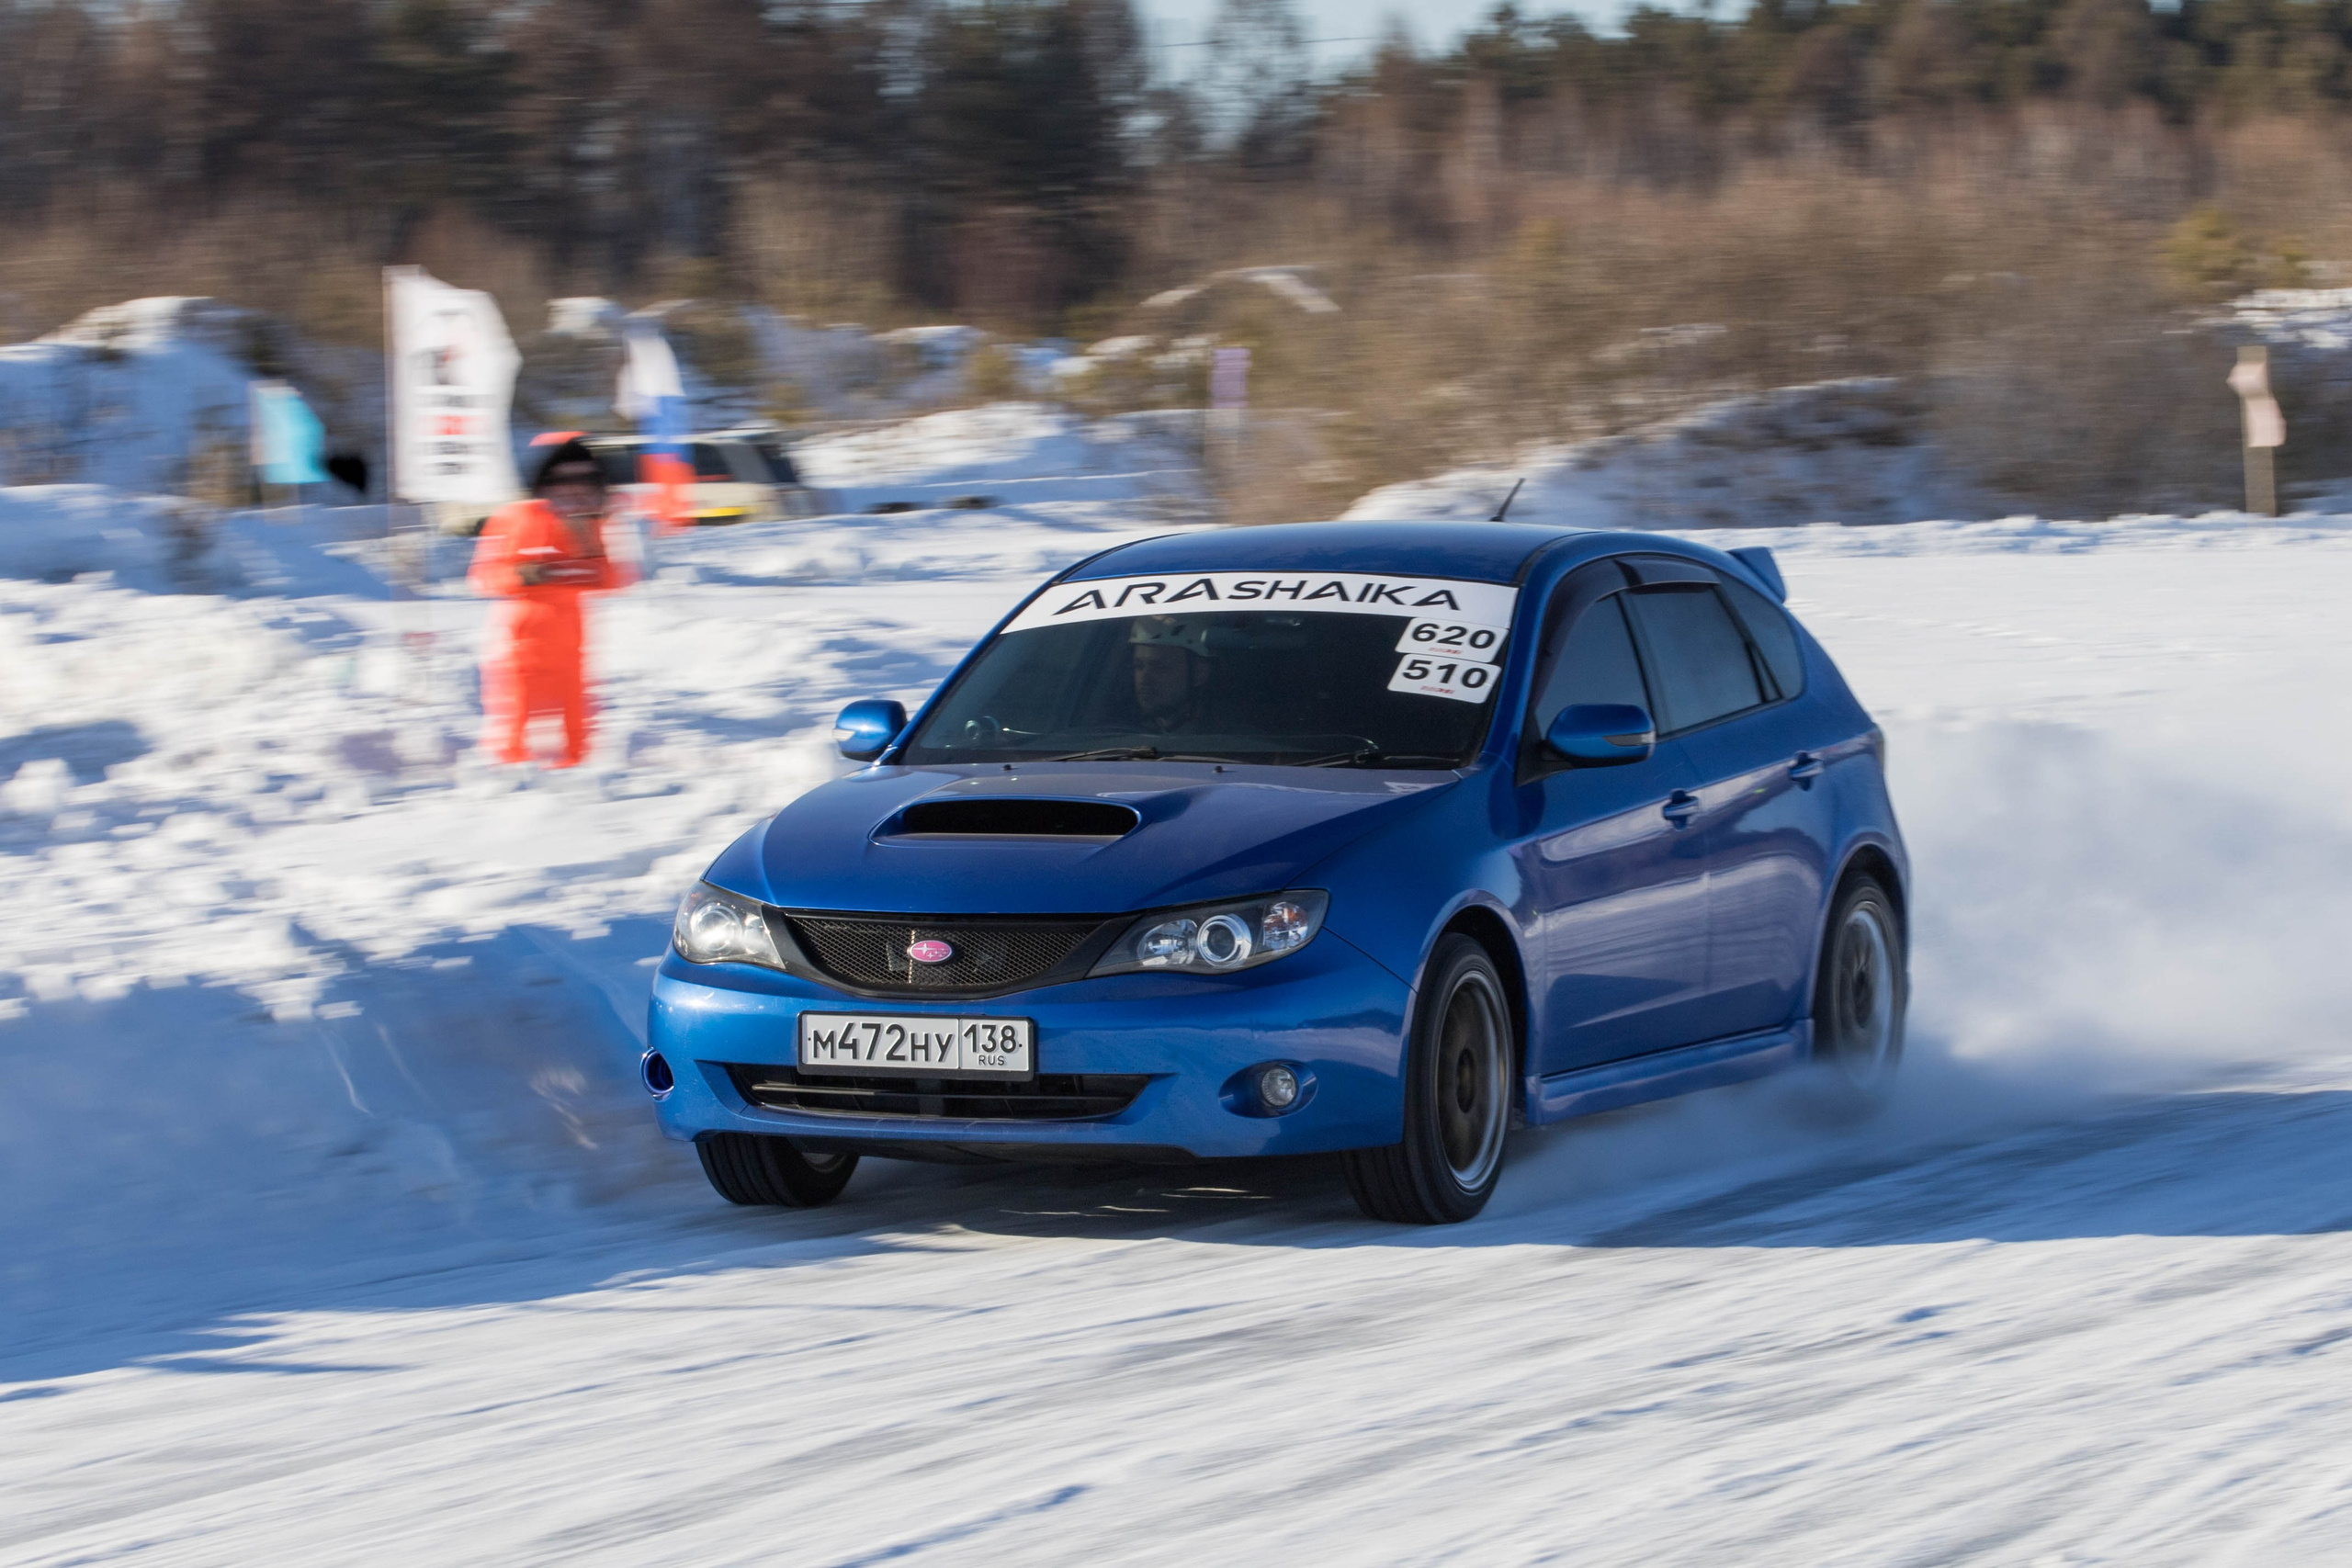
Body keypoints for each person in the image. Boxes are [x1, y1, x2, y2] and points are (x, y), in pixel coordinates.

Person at [469, 437, 633, 767]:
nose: (574, 491)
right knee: (514, 717)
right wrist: (525, 576)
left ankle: (580, 771)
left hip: (572, 645)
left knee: (577, 718)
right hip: (520, 643)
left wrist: (590, 541)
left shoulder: (590, 524)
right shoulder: (516, 516)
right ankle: (506, 776)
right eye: (564, 481)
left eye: (585, 482)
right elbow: (483, 576)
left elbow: (614, 579)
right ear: (545, 481)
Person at [1129, 616, 1214, 734]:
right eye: (1138, 666)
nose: (1144, 679)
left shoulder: (1229, 737)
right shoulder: (1116, 731)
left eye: (1160, 667)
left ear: (1199, 673)